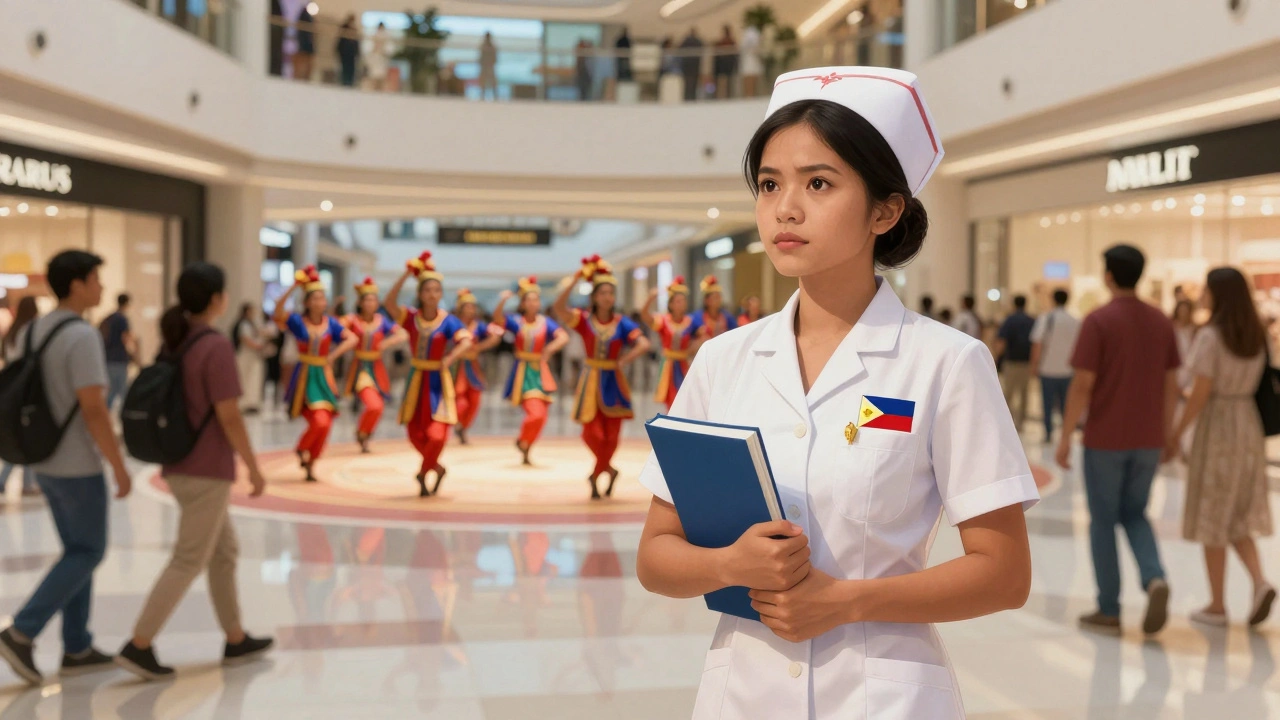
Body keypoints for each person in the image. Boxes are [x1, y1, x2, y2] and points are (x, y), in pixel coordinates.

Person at [636, 66, 1036, 719]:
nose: (785, 208)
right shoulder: (722, 360)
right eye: (769, 185)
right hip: (743, 689)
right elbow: (656, 556)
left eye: (818, 183)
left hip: (884, 696)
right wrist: (730, 565)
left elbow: (1003, 572)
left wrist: (844, 600)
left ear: (886, 209)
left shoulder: (946, 362)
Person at [114, 263, 274, 680]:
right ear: (217, 299)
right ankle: (140, 643)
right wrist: (254, 468)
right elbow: (229, 416)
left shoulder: (178, 339)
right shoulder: (215, 345)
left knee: (224, 552)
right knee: (189, 558)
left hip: (180, 463)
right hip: (206, 470)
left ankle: (235, 638)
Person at [0, 251, 133, 685]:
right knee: (89, 551)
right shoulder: (82, 336)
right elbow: (94, 408)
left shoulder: (33, 330)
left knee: (78, 549)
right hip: (76, 462)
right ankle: (22, 631)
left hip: (43, 457)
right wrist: (119, 466)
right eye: (95, 278)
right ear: (77, 284)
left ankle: (77, 644)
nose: (100, 287)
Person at [1057, 244, 1179, 636]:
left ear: (1109, 276)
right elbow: (1172, 383)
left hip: (1106, 438)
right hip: (1148, 438)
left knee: (1103, 521)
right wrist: (1168, 433)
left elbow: (1083, 384)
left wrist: (1064, 436)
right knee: (1136, 513)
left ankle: (1109, 608)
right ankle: (1154, 576)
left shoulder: (1098, 321)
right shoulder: (1161, 321)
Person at [1168, 267, 1275, 628]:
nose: (1202, 296)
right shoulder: (1256, 335)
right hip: (1247, 423)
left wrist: (1176, 431)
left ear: (1218, 294)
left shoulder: (1211, 337)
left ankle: (1217, 604)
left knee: (1213, 515)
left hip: (1217, 426)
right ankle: (1260, 583)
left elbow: (1199, 393)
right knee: (1238, 514)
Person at [553, 256, 651, 499]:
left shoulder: (622, 322)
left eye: (611, 293)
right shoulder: (584, 320)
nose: (608, 297)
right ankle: (606, 469)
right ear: (595, 296)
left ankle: (596, 474)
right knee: (592, 433)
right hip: (591, 381)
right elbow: (559, 308)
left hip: (614, 382)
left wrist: (624, 360)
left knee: (612, 435)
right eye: (603, 293)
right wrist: (575, 279)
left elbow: (643, 343)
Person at [383, 252, 474, 497]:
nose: (432, 294)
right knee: (414, 434)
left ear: (441, 294)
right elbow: (390, 302)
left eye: (436, 290)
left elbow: (466, 341)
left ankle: (424, 472)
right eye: (427, 290)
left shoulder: (449, 321)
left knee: (436, 435)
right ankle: (435, 467)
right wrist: (407, 274)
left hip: (437, 382)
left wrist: (450, 357)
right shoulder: (410, 318)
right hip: (416, 380)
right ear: (420, 294)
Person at [273, 265, 358, 483]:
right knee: (320, 421)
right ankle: (303, 448)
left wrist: (333, 355)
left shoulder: (332, 324)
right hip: (304, 377)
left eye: (322, 298)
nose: (320, 302)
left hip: (324, 376)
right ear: (307, 302)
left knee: (326, 423)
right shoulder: (298, 322)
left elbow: (352, 339)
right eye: (315, 298)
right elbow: (278, 312)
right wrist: (294, 286)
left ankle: (311, 460)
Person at [491, 277, 569, 465]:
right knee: (535, 414)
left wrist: (550, 349)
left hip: (540, 372)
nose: (533, 303)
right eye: (529, 299)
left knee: (542, 416)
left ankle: (526, 445)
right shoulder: (516, 321)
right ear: (523, 303)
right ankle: (522, 441)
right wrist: (502, 301)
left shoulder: (545, 322)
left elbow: (563, 336)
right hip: (522, 373)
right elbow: (498, 319)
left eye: (536, 299)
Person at [342, 278, 408, 453]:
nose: (371, 303)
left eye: (373, 300)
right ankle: (362, 432)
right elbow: (336, 329)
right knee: (374, 405)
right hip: (359, 367)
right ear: (360, 302)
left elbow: (402, 334)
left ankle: (364, 433)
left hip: (377, 367)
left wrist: (386, 344)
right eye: (367, 300)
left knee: (378, 406)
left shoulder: (381, 321)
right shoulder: (352, 320)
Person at [0, 296, 41, 497]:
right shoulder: (30, 331)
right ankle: (6, 481)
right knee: (24, 438)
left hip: (11, 388)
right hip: (25, 390)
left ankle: (27, 482)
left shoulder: (13, 331)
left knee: (24, 438)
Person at [452, 288, 502, 445]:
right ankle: (457, 424)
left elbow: (495, 336)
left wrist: (478, 348)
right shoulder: (453, 323)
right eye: (467, 306)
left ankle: (463, 428)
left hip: (473, 366)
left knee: (474, 400)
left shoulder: (478, 326)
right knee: (460, 401)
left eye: (473, 307)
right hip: (457, 365)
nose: (471, 310)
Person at [1030, 289, 1080, 443]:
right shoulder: (1075, 320)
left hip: (1048, 369)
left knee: (1047, 404)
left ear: (1053, 299)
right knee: (1066, 404)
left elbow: (1037, 343)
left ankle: (1048, 433)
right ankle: (1066, 435)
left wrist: (1034, 365)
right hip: (1068, 370)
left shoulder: (1046, 318)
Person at [640, 277, 695, 410]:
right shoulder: (663, 320)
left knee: (686, 398)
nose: (681, 304)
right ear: (670, 304)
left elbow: (704, 336)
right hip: (668, 365)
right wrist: (650, 299)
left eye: (683, 301)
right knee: (671, 398)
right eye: (677, 301)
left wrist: (690, 350)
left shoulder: (690, 321)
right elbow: (645, 316)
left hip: (684, 364)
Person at [995, 295, 1036, 432]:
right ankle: (1021, 423)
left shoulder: (1009, 320)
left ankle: (1008, 423)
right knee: (1024, 394)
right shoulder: (1031, 320)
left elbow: (1002, 341)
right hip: (1026, 361)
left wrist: (996, 358)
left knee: (1009, 393)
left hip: (1011, 361)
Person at [100, 293, 135, 413]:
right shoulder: (122, 319)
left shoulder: (109, 318)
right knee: (122, 392)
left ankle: (106, 415)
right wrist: (134, 354)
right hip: (119, 359)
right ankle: (124, 418)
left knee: (111, 392)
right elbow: (125, 338)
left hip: (108, 359)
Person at [232, 303, 267, 415]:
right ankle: (243, 403)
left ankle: (252, 403)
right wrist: (258, 346)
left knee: (253, 379)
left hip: (253, 356)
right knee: (244, 378)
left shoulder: (252, 324)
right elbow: (245, 339)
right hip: (245, 355)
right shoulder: (243, 324)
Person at [689, 275, 738, 343]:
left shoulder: (727, 317)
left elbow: (735, 334)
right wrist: (697, 334)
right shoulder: (696, 317)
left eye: (719, 297)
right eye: (715, 298)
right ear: (706, 301)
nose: (718, 300)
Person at [713, 25, 738, 99]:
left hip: (728, 65)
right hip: (722, 66)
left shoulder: (731, 42)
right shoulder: (721, 42)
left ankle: (728, 96)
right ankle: (721, 96)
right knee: (722, 82)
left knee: (729, 82)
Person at [679, 28, 704, 101]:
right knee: (692, 82)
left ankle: (687, 97)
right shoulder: (697, 41)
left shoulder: (687, 41)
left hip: (689, 65)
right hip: (693, 65)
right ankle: (691, 97)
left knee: (688, 82)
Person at [336, 14, 360, 87]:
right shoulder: (344, 27)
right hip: (345, 52)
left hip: (351, 53)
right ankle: (344, 81)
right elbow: (340, 41)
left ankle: (349, 82)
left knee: (351, 68)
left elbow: (356, 42)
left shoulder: (354, 29)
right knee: (344, 67)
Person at [293, 4, 315, 82]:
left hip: (306, 45)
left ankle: (305, 78)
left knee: (307, 62)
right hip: (303, 45)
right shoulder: (304, 16)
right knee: (302, 62)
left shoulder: (309, 17)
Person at [740, 22, 762, 98]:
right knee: (748, 76)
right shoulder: (749, 34)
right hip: (748, 58)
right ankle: (748, 94)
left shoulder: (752, 33)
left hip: (752, 58)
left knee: (752, 75)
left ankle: (751, 94)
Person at [367, 22, 390, 91]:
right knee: (374, 73)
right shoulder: (375, 34)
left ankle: (380, 88)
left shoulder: (385, 35)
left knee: (381, 74)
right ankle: (374, 88)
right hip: (376, 55)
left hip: (381, 56)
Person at [479, 32, 498, 101]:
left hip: (490, 66)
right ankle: (482, 96)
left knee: (493, 82)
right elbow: (481, 57)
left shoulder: (492, 46)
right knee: (483, 82)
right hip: (484, 66)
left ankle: (495, 96)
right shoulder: (483, 46)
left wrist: (492, 63)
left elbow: (495, 57)